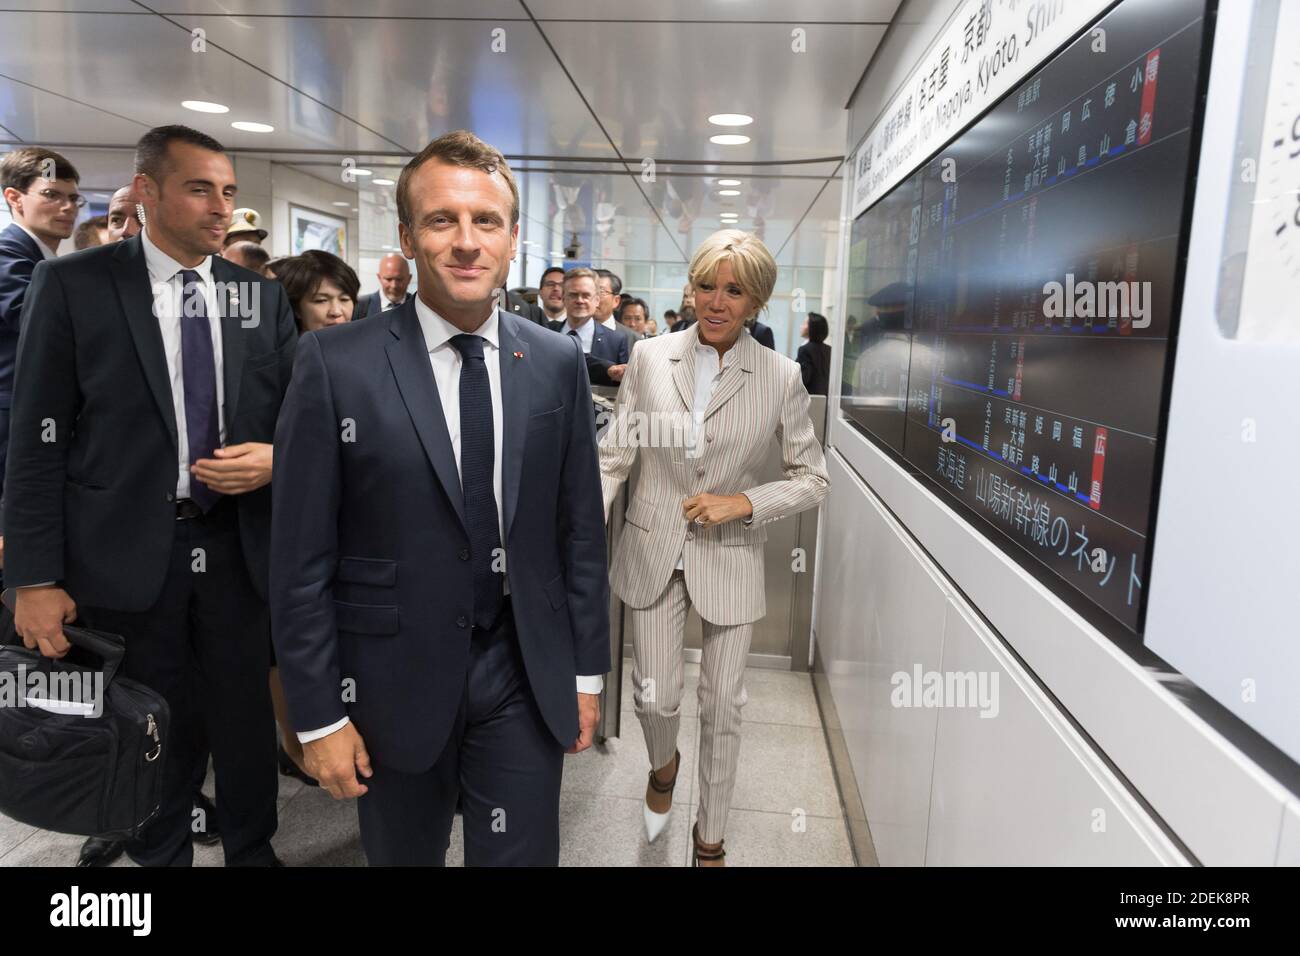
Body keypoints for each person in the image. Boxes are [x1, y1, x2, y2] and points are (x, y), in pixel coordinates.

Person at [270, 129, 609, 866]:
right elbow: (299, 557)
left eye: (486, 220)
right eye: (441, 219)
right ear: (406, 236)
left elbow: (579, 530)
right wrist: (319, 713)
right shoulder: (336, 364)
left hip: (522, 667)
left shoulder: (552, 361)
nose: (465, 241)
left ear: (513, 237)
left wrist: (586, 674)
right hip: (390, 676)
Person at [6, 124, 297, 868]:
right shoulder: (76, 285)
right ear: (147, 191)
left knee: (241, 721)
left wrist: (276, 458)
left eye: (228, 192)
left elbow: (307, 422)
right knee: (146, 722)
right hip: (127, 553)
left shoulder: (256, 299)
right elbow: (37, 443)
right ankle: (156, 855)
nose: (220, 208)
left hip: (236, 548)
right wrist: (33, 578)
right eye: (201, 188)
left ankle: (250, 848)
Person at [599, 229, 828, 866]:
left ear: (756, 301)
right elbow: (615, 456)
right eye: (706, 285)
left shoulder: (781, 376)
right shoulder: (650, 358)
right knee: (654, 697)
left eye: (734, 290)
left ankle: (711, 841)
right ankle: (664, 764)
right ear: (691, 288)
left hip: (728, 553)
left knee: (723, 706)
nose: (717, 302)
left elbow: (813, 478)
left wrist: (746, 502)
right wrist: (579, 530)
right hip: (652, 551)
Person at [0, 147, 81, 596]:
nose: (67, 207)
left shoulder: (43, 260)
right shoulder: (9, 255)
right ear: (15, 197)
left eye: (74, 198)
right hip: (14, 423)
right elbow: (35, 322)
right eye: (52, 195)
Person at [554, 267, 629, 385]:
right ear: (563, 298)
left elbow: (623, 387)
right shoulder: (546, 332)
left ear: (597, 300)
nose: (580, 300)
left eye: (586, 295)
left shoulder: (616, 341)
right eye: (573, 295)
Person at [355, 252, 411, 317]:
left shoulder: (418, 306)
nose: (394, 285)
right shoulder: (359, 306)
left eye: (399, 279)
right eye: (388, 279)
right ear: (379, 277)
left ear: (409, 279)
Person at [797, 312, 832, 395]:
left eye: (805, 323)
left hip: (811, 398)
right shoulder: (829, 349)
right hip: (826, 397)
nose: (801, 326)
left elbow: (804, 379)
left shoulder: (805, 349)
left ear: (812, 328)